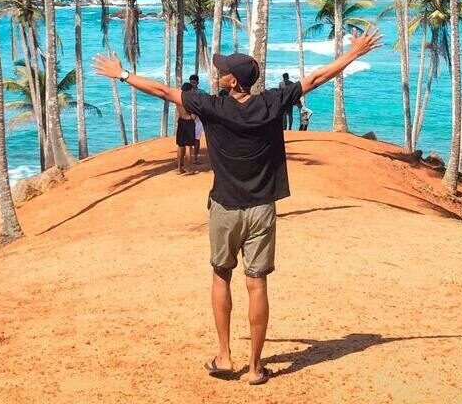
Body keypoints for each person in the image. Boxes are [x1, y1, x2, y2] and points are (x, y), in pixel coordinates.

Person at [93, 24, 382, 386]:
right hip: (262, 208)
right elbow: (318, 78)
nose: (218, 72)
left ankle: (225, 355)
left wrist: (121, 74)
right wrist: (355, 52)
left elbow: (162, 91)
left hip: (225, 208)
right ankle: (256, 367)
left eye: (223, 70)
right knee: (256, 284)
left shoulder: (210, 106)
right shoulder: (271, 104)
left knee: (221, 275)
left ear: (233, 82)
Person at [175, 82, 198, 174]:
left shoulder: (177, 100)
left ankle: (179, 168)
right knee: (189, 147)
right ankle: (189, 169)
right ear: (189, 90)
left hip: (181, 121)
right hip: (189, 123)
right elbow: (193, 117)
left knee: (180, 146)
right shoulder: (189, 101)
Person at [188, 73, 205, 166]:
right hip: (189, 118)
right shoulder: (187, 92)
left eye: (194, 82)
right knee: (190, 139)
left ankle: (195, 158)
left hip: (198, 118)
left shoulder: (202, 92)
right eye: (191, 82)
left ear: (197, 83)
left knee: (197, 139)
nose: (192, 84)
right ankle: (190, 158)